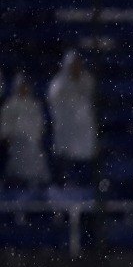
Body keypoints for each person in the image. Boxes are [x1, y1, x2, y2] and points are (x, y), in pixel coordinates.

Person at [46, 50, 97, 188]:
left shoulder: (87, 81)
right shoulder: (58, 85)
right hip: (67, 132)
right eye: (73, 64)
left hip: (83, 132)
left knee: (84, 169)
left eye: (78, 64)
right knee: (67, 170)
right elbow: (56, 107)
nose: (76, 67)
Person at [1, 73, 51, 190]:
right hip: (16, 144)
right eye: (21, 86)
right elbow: (5, 128)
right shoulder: (9, 105)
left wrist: (34, 135)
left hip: (33, 144)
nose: (23, 89)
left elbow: (40, 125)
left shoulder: (34, 105)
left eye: (25, 86)